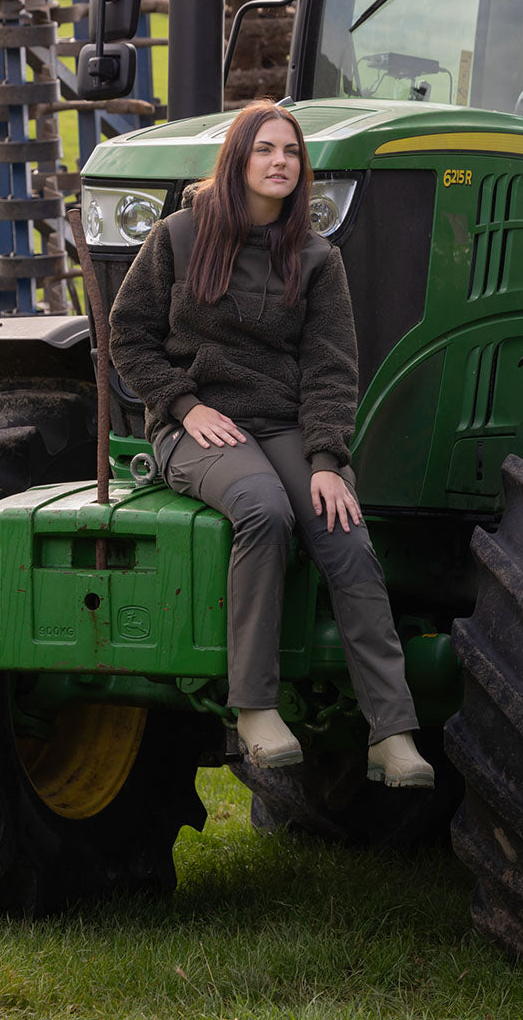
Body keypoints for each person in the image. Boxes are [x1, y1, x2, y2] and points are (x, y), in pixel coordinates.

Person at [109, 99, 433, 787]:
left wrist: (326, 462)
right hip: (192, 426)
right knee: (263, 508)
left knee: (344, 532)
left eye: (291, 152)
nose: (281, 161)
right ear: (238, 161)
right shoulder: (178, 237)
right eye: (266, 150)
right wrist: (182, 405)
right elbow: (128, 337)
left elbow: (330, 369)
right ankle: (255, 708)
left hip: (282, 425)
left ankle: (392, 732)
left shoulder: (316, 259)